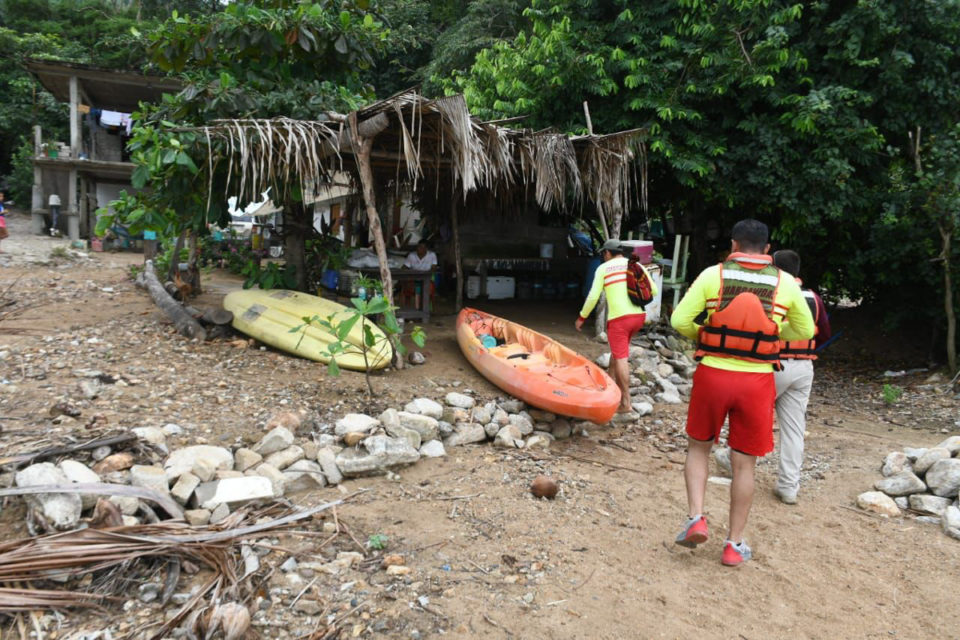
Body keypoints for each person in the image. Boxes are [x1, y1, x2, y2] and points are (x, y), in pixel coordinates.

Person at [670, 220, 815, 567]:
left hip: (714, 375)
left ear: (734, 244)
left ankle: (695, 518)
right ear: (767, 249)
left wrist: (704, 335)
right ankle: (734, 544)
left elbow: (679, 320)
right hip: (757, 383)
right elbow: (806, 329)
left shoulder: (712, 275)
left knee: (699, 448)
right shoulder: (784, 283)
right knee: (744, 464)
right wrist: (773, 336)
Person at [771, 249, 831, 505]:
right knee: (795, 429)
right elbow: (824, 334)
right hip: (804, 367)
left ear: (774, 269)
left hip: (772, 365)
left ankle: (731, 460)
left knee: (750, 415)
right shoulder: (813, 298)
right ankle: (788, 487)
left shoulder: (771, 293)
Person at [576, 239, 657, 414]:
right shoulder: (635, 265)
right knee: (618, 350)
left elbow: (592, 296)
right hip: (639, 316)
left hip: (619, 320)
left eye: (603, 254)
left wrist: (582, 317)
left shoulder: (603, 268)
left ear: (607, 253)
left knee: (621, 357)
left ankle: (625, 403)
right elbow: (654, 291)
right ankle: (610, 385)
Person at [402, 241, 438, 309]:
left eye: (421, 247)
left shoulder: (432, 255)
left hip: (426, 279)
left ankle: (424, 310)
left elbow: (434, 268)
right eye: (418, 247)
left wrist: (426, 274)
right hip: (413, 279)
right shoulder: (411, 255)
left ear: (426, 249)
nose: (419, 249)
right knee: (407, 288)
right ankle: (408, 310)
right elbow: (404, 268)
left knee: (428, 289)